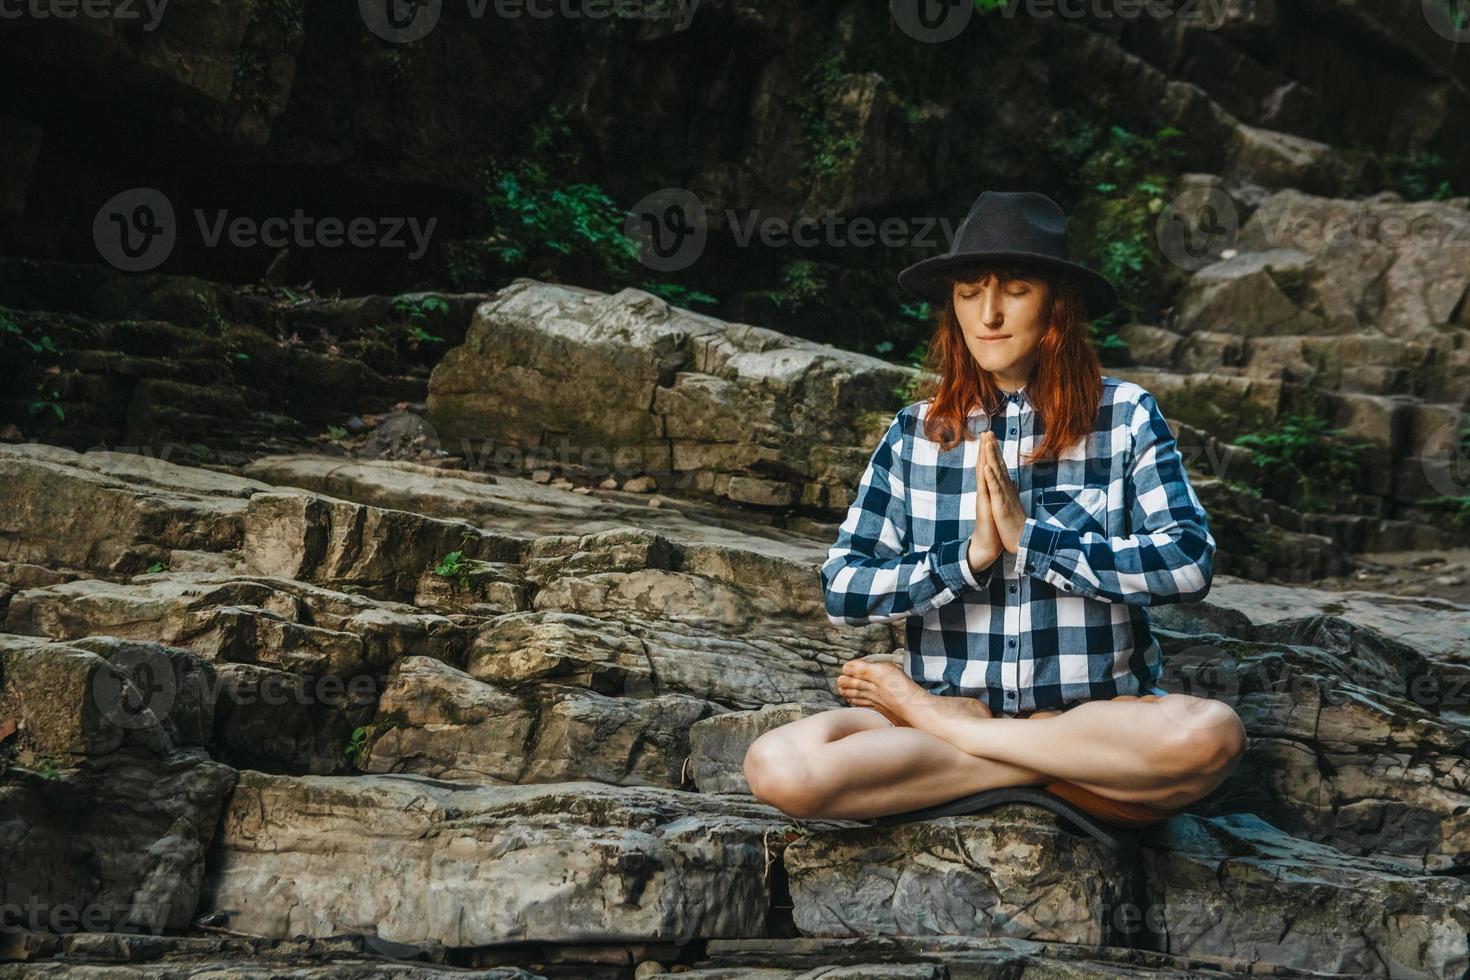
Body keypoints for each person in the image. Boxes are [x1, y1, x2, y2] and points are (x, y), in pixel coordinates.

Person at [744, 191, 1246, 827]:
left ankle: (979, 747)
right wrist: (971, 557)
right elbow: (842, 587)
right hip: (989, 730)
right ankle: (1069, 780)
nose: (988, 314)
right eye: (968, 292)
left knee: (1211, 735)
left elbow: (1189, 562)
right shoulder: (915, 433)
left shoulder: (1125, 419)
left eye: (1015, 290)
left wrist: (1033, 542)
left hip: (1090, 722)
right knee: (780, 766)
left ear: (1056, 304)